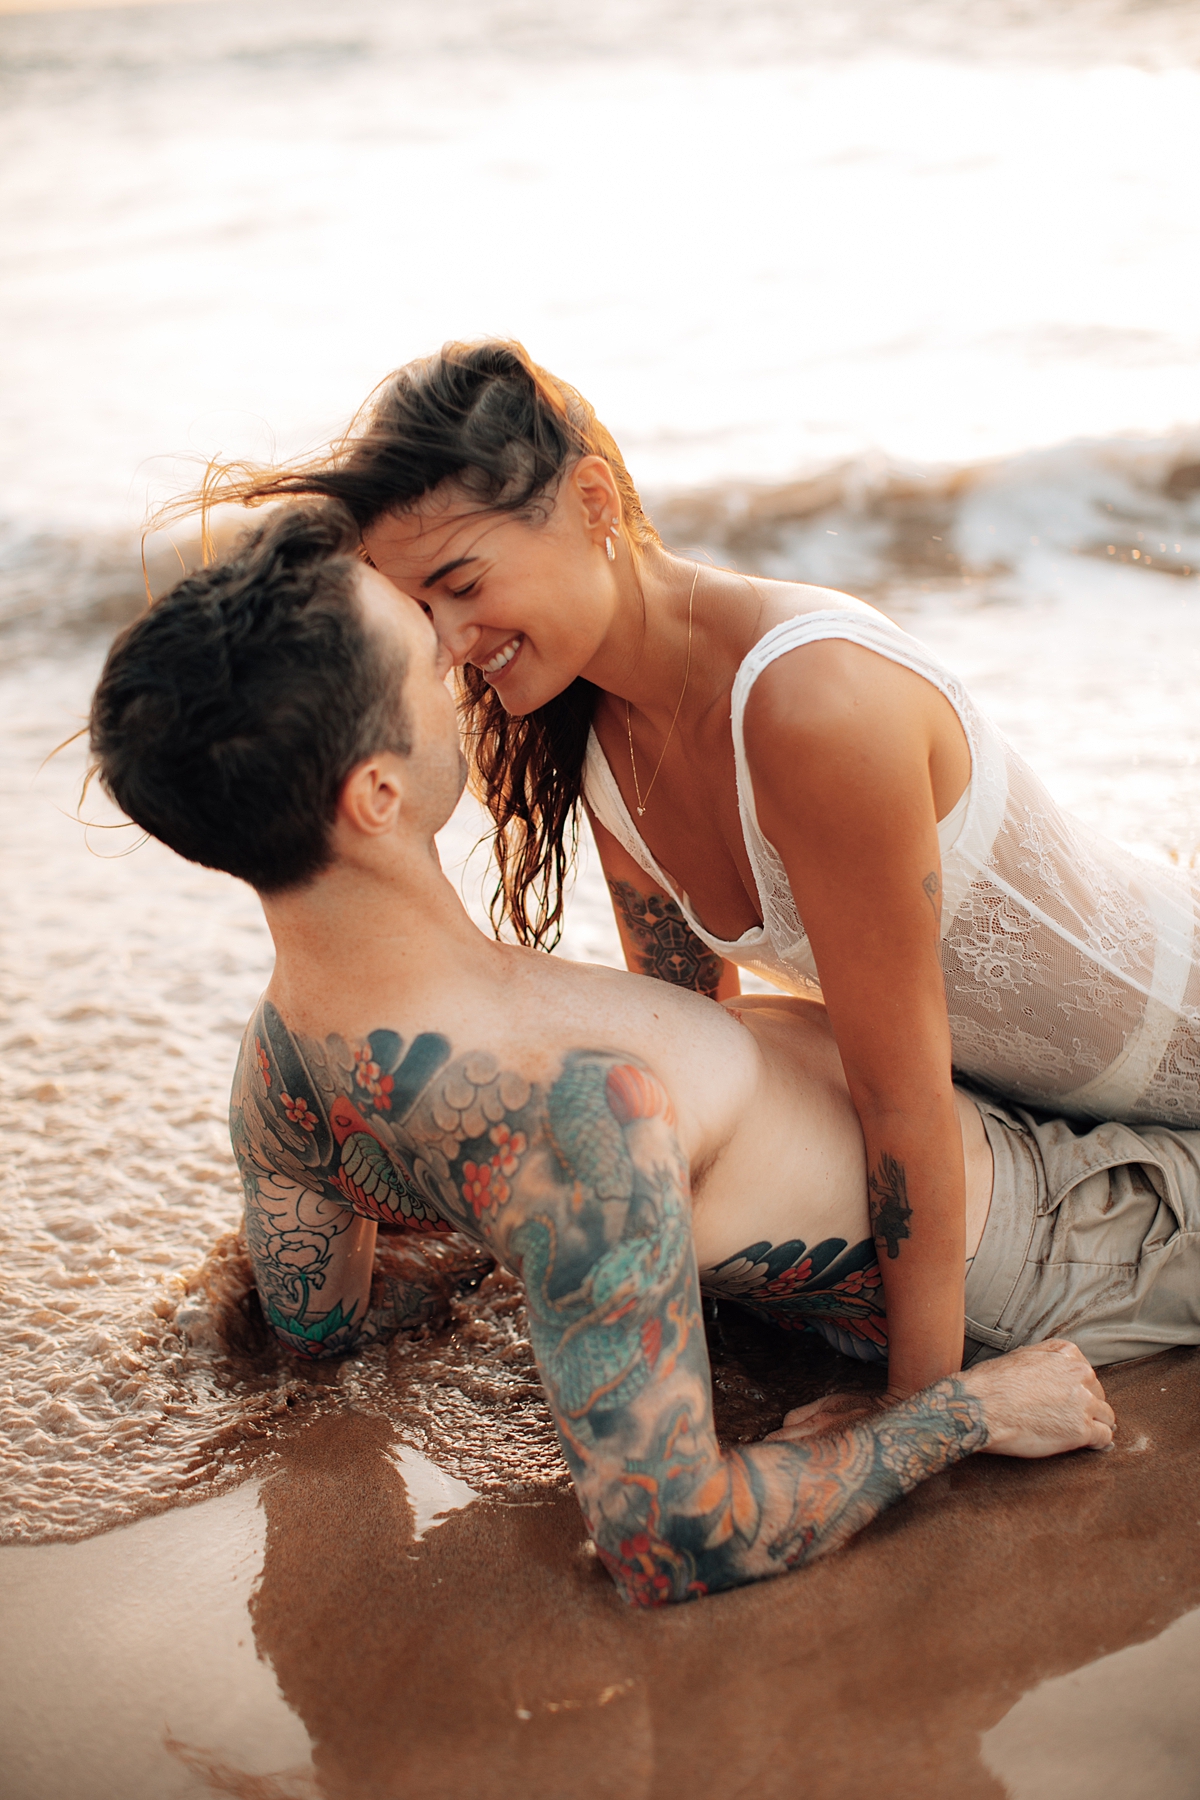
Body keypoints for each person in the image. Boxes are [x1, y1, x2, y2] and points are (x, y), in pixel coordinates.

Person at [91, 502, 1200, 1604]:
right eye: (425, 664)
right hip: (1071, 1239)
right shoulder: (576, 1118)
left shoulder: (279, 1078)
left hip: (963, 1153)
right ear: (376, 795)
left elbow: (316, 1332)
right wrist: (960, 1411)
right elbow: (672, 1542)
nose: (458, 659)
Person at [195, 342, 1200, 1419]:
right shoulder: (603, 743)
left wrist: (925, 1408)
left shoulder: (813, 706)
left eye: (462, 584)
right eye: (417, 609)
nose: (444, 643)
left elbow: (898, 1097)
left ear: (592, 504)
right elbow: (705, 1044)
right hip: (1040, 1107)